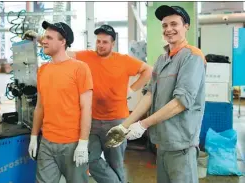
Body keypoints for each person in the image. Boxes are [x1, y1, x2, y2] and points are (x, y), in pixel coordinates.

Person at [24, 23, 152, 183]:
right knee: (90, 159)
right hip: (93, 120)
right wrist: (38, 38)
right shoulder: (86, 57)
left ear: (113, 44)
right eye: (98, 41)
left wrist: (132, 89)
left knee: (116, 163)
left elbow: (148, 71)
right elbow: (61, 49)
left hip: (117, 121)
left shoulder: (124, 60)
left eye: (105, 42)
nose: (100, 45)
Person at [106, 5, 206, 183]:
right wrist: (124, 126)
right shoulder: (162, 60)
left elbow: (181, 102)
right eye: (165, 25)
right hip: (162, 142)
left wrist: (143, 124)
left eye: (174, 24)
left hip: (181, 144)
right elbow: (149, 95)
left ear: (186, 26)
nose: (168, 29)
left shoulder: (192, 57)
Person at [27, 21, 93, 183]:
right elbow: (40, 107)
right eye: (44, 37)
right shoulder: (43, 70)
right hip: (47, 143)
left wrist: (83, 142)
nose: (43, 41)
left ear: (63, 42)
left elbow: (86, 108)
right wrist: (34, 136)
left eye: (49, 37)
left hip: (72, 143)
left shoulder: (80, 68)